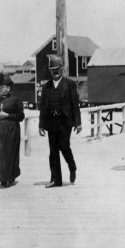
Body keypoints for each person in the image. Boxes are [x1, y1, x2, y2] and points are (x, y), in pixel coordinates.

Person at [39, 55, 82, 188]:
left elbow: (75, 104)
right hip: (51, 122)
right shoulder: (46, 87)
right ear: (50, 70)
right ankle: (56, 180)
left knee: (64, 146)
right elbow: (43, 107)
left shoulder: (69, 84)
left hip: (65, 121)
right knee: (53, 151)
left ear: (62, 68)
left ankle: (72, 166)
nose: (55, 71)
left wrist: (78, 123)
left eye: (57, 69)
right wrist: (41, 125)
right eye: (52, 69)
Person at [0, 73, 25, 188]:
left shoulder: (15, 100)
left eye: (2, 87)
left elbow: (20, 116)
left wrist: (7, 115)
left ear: (8, 88)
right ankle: (1, 178)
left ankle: (10, 177)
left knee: (9, 153)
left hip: (12, 130)